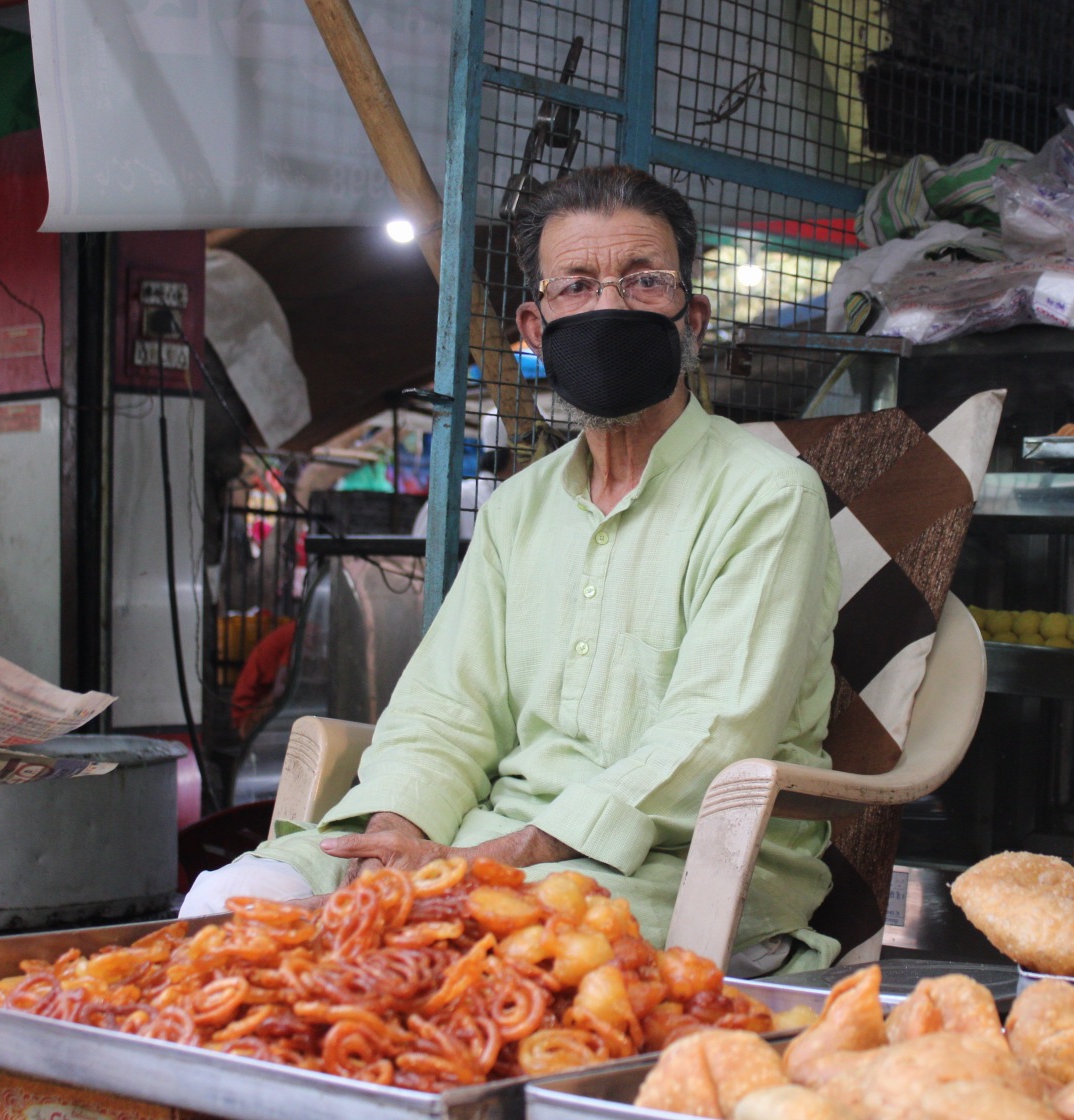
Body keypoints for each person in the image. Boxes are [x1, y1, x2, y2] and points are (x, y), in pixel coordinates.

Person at [180, 165, 841, 973]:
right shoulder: (518, 509)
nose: (609, 307)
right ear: (534, 326)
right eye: (576, 286)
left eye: (643, 281)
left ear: (689, 316)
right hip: (484, 842)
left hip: (682, 859)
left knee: (436, 956)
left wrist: (494, 858)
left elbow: (713, 738)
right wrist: (397, 830)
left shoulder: (768, 494)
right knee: (232, 907)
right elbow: (447, 708)